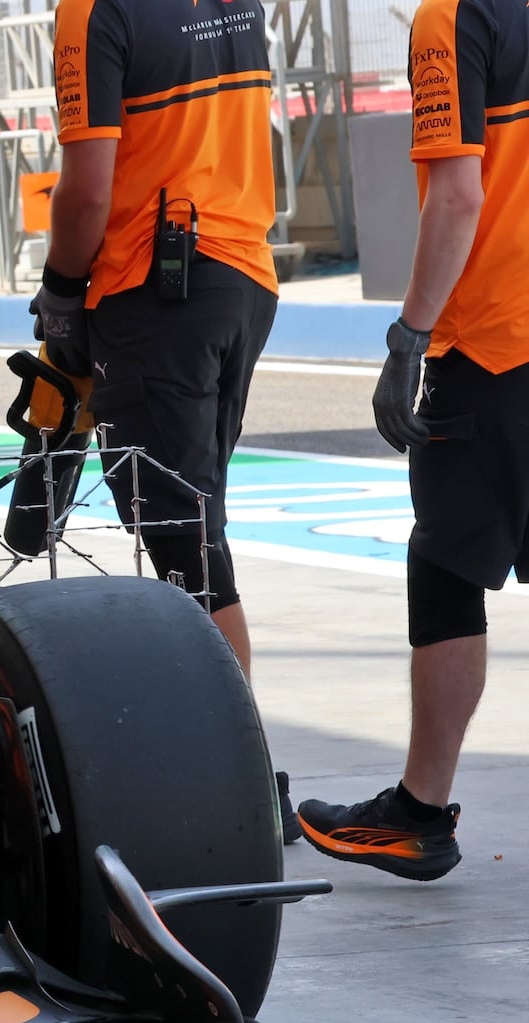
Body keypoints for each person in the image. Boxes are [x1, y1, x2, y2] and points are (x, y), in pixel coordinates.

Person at [296, 0, 529, 882]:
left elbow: (460, 196)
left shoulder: (453, 18)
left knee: (444, 569)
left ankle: (421, 813)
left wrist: (410, 337)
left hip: (495, 347)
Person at [37, 0, 278, 679]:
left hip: (158, 293)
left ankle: (241, 771)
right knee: (202, 529)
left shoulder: (94, 10)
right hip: (243, 280)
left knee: (187, 550)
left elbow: (86, 193)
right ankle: (236, 765)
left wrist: (60, 289)